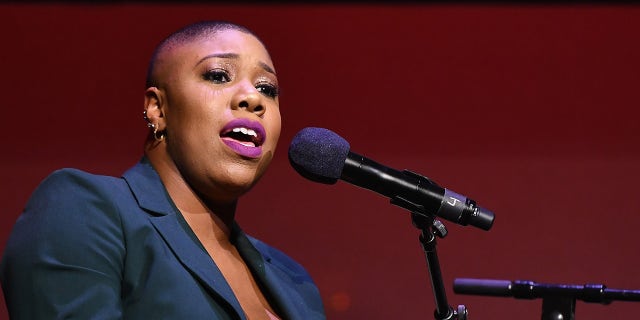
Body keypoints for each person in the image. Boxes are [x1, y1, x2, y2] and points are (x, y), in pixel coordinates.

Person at [0, 21, 325, 319]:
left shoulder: (295, 283)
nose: (253, 99)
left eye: (267, 88)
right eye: (218, 75)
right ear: (157, 108)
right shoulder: (85, 210)